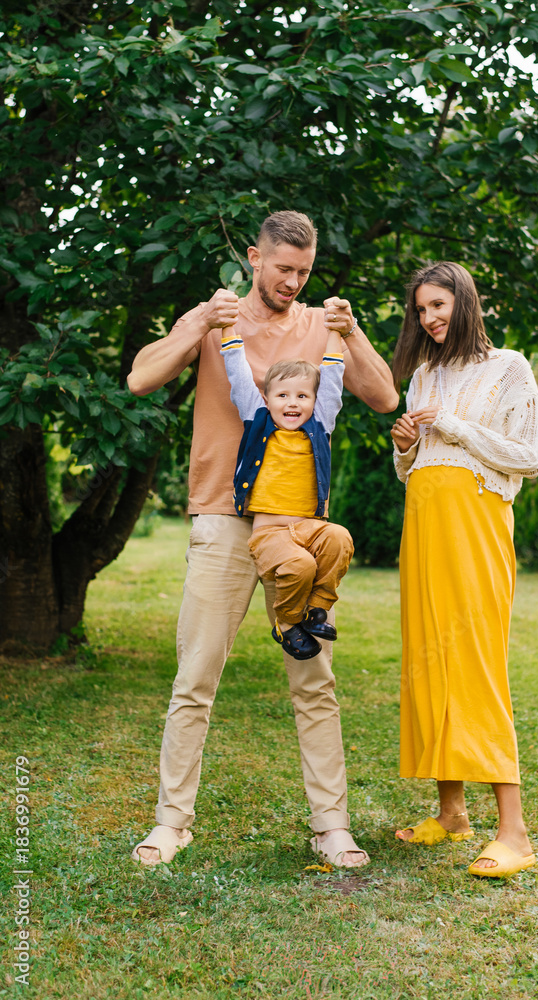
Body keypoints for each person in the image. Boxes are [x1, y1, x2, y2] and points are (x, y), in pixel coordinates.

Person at [127, 210, 398, 868]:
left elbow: (384, 396)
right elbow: (140, 377)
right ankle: (172, 822)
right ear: (255, 258)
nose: (293, 282)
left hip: (300, 526)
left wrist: (352, 330)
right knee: (195, 677)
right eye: (283, 270)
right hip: (223, 516)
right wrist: (197, 322)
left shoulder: (317, 325)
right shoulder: (217, 319)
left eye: (303, 272)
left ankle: (331, 825)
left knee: (314, 677)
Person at [390, 261, 538, 878]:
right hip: (424, 525)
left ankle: (516, 832)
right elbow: (414, 469)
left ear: (465, 302)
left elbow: (527, 456)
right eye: (421, 310)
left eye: (438, 306)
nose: (429, 319)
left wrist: (452, 425)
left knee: (474, 661)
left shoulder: (508, 366)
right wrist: (405, 445)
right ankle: (451, 812)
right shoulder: (423, 376)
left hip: (476, 526)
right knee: (429, 657)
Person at [220, 325, 353, 660]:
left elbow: (333, 380)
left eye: (302, 396)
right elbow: (238, 374)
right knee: (299, 565)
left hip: (310, 527)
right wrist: (227, 327)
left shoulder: (320, 424)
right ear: (266, 399)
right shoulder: (258, 419)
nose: (292, 403)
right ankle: (287, 622)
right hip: (271, 533)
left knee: (339, 539)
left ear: (314, 401)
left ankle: (315, 609)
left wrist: (336, 332)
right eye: (283, 395)